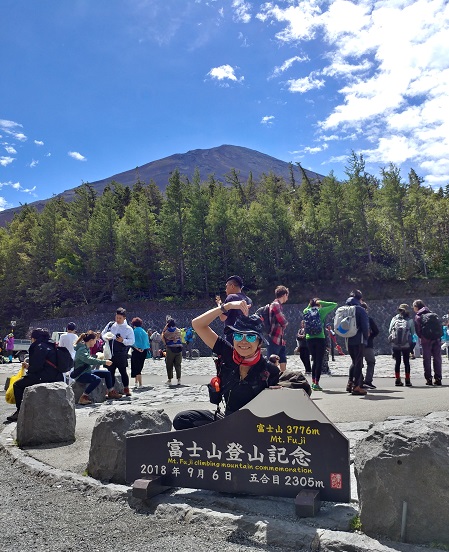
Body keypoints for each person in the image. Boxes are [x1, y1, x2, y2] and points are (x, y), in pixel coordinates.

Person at [173, 301, 279, 430]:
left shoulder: (269, 370)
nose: (243, 341)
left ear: (259, 342)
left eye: (251, 337)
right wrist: (226, 307)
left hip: (255, 427)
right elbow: (198, 324)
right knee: (182, 419)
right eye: (238, 335)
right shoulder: (226, 352)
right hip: (228, 420)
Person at [6, 328, 63, 422]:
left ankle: (20, 411)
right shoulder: (51, 344)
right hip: (57, 376)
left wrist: (28, 367)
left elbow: (37, 367)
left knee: (18, 385)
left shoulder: (38, 346)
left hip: (45, 376)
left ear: (34, 338)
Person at [71, 332, 122, 404]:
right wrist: (104, 362)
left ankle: (111, 392)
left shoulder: (85, 348)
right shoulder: (82, 350)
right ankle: (83, 397)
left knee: (107, 373)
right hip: (80, 375)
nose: (96, 342)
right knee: (97, 379)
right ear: (91, 340)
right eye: (95, 340)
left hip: (86, 371)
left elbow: (88, 359)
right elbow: (89, 360)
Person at [303, 298, 337, 391]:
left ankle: (313, 382)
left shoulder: (306, 311)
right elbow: (334, 304)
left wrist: (311, 303)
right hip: (320, 338)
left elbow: (307, 308)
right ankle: (316, 383)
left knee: (314, 360)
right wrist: (321, 302)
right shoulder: (321, 311)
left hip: (309, 338)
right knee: (319, 361)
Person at [101, 307, 135, 397]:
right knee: (110, 372)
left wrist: (123, 340)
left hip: (121, 353)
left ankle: (126, 388)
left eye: (120, 318)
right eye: (116, 317)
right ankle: (111, 390)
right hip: (110, 353)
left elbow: (132, 341)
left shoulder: (128, 329)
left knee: (123, 371)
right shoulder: (111, 325)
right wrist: (106, 337)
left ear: (124, 318)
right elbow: (102, 333)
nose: (118, 320)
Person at [344, 290, 370, 396]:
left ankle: (350, 384)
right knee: (358, 363)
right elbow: (365, 327)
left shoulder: (345, 309)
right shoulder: (360, 310)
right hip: (359, 339)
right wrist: (366, 338)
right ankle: (357, 386)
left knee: (354, 361)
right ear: (360, 299)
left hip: (348, 339)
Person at [413, 299, 442, 385]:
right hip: (436, 338)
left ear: (416, 307)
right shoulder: (433, 314)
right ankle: (438, 378)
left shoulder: (418, 316)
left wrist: (422, 337)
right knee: (437, 358)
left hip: (426, 340)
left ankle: (429, 379)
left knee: (427, 359)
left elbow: (418, 330)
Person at [216, 275, 253, 343]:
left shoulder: (231, 297)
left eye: (226, 286)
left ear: (232, 286)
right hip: (245, 336)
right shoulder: (249, 300)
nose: (225, 289)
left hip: (232, 336)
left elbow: (222, 317)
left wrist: (219, 304)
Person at [388, 303, 415, 387]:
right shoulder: (409, 320)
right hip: (406, 344)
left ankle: (397, 380)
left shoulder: (394, 319)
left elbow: (390, 330)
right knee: (406, 362)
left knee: (397, 362)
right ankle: (407, 380)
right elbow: (412, 332)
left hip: (395, 344)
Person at [267, 285, 289, 373]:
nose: (287, 298)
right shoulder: (275, 305)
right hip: (274, 337)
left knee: (283, 359)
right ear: (284, 295)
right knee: (273, 360)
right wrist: (285, 323)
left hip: (279, 339)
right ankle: (273, 380)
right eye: (287, 295)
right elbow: (283, 321)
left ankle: (284, 378)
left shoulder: (278, 305)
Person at [360, 302, 379, 389]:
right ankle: (368, 381)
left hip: (356, 344)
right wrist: (370, 337)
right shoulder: (368, 319)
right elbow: (376, 331)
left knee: (357, 363)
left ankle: (358, 381)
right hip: (368, 344)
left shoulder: (354, 319)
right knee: (371, 362)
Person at [162, 319, 183, 385]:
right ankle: (179, 379)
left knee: (169, 364)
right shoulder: (178, 330)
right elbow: (181, 338)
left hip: (170, 348)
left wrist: (165, 328)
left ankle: (169, 380)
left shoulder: (167, 331)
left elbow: (163, 335)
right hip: (179, 348)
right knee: (178, 365)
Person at [130, 317, 150, 389]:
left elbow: (132, 342)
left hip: (136, 351)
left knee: (135, 366)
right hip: (144, 351)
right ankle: (136, 382)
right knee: (140, 366)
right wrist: (143, 348)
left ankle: (139, 383)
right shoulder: (144, 332)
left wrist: (137, 348)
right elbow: (147, 342)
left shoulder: (134, 331)